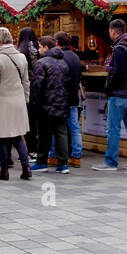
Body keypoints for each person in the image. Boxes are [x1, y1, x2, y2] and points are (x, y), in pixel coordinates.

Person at [92, 18, 127, 171]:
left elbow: (119, 72)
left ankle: (110, 162)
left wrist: (108, 88)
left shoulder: (121, 49)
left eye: (109, 31)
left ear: (113, 31)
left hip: (119, 94)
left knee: (113, 129)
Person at [0, 26, 32, 180]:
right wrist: (26, 100)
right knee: (18, 136)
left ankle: (4, 171)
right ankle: (26, 167)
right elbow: (26, 82)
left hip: (1, 103)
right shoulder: (22, 57)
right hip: (18, 102)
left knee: (0, 137)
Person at [29, 35, 72, 173]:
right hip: (62, 103)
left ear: (46, 47)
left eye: (40, 47)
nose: (38, 50)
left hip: (46, 105)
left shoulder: (41, 63)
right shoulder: (64, 63)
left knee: (44, 134)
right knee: (61, 133)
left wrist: (34, 104)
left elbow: (36, 86)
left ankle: (41, 162)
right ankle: (63, 163)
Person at [54, 31, 84, 167]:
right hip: (73, 96)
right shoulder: (75, 57)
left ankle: (53, 155)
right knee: (74, 128)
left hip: (61, 98)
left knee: (57, 128)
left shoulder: (59, 57)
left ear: (57, 43)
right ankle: (76, 156)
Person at [17, 26, 40, 159]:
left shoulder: (20, 51)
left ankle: (29, 150)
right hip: (37, 88)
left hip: (24, 89)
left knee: (26, 120)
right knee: (35, 121)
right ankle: (34, 149)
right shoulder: (38, 49)